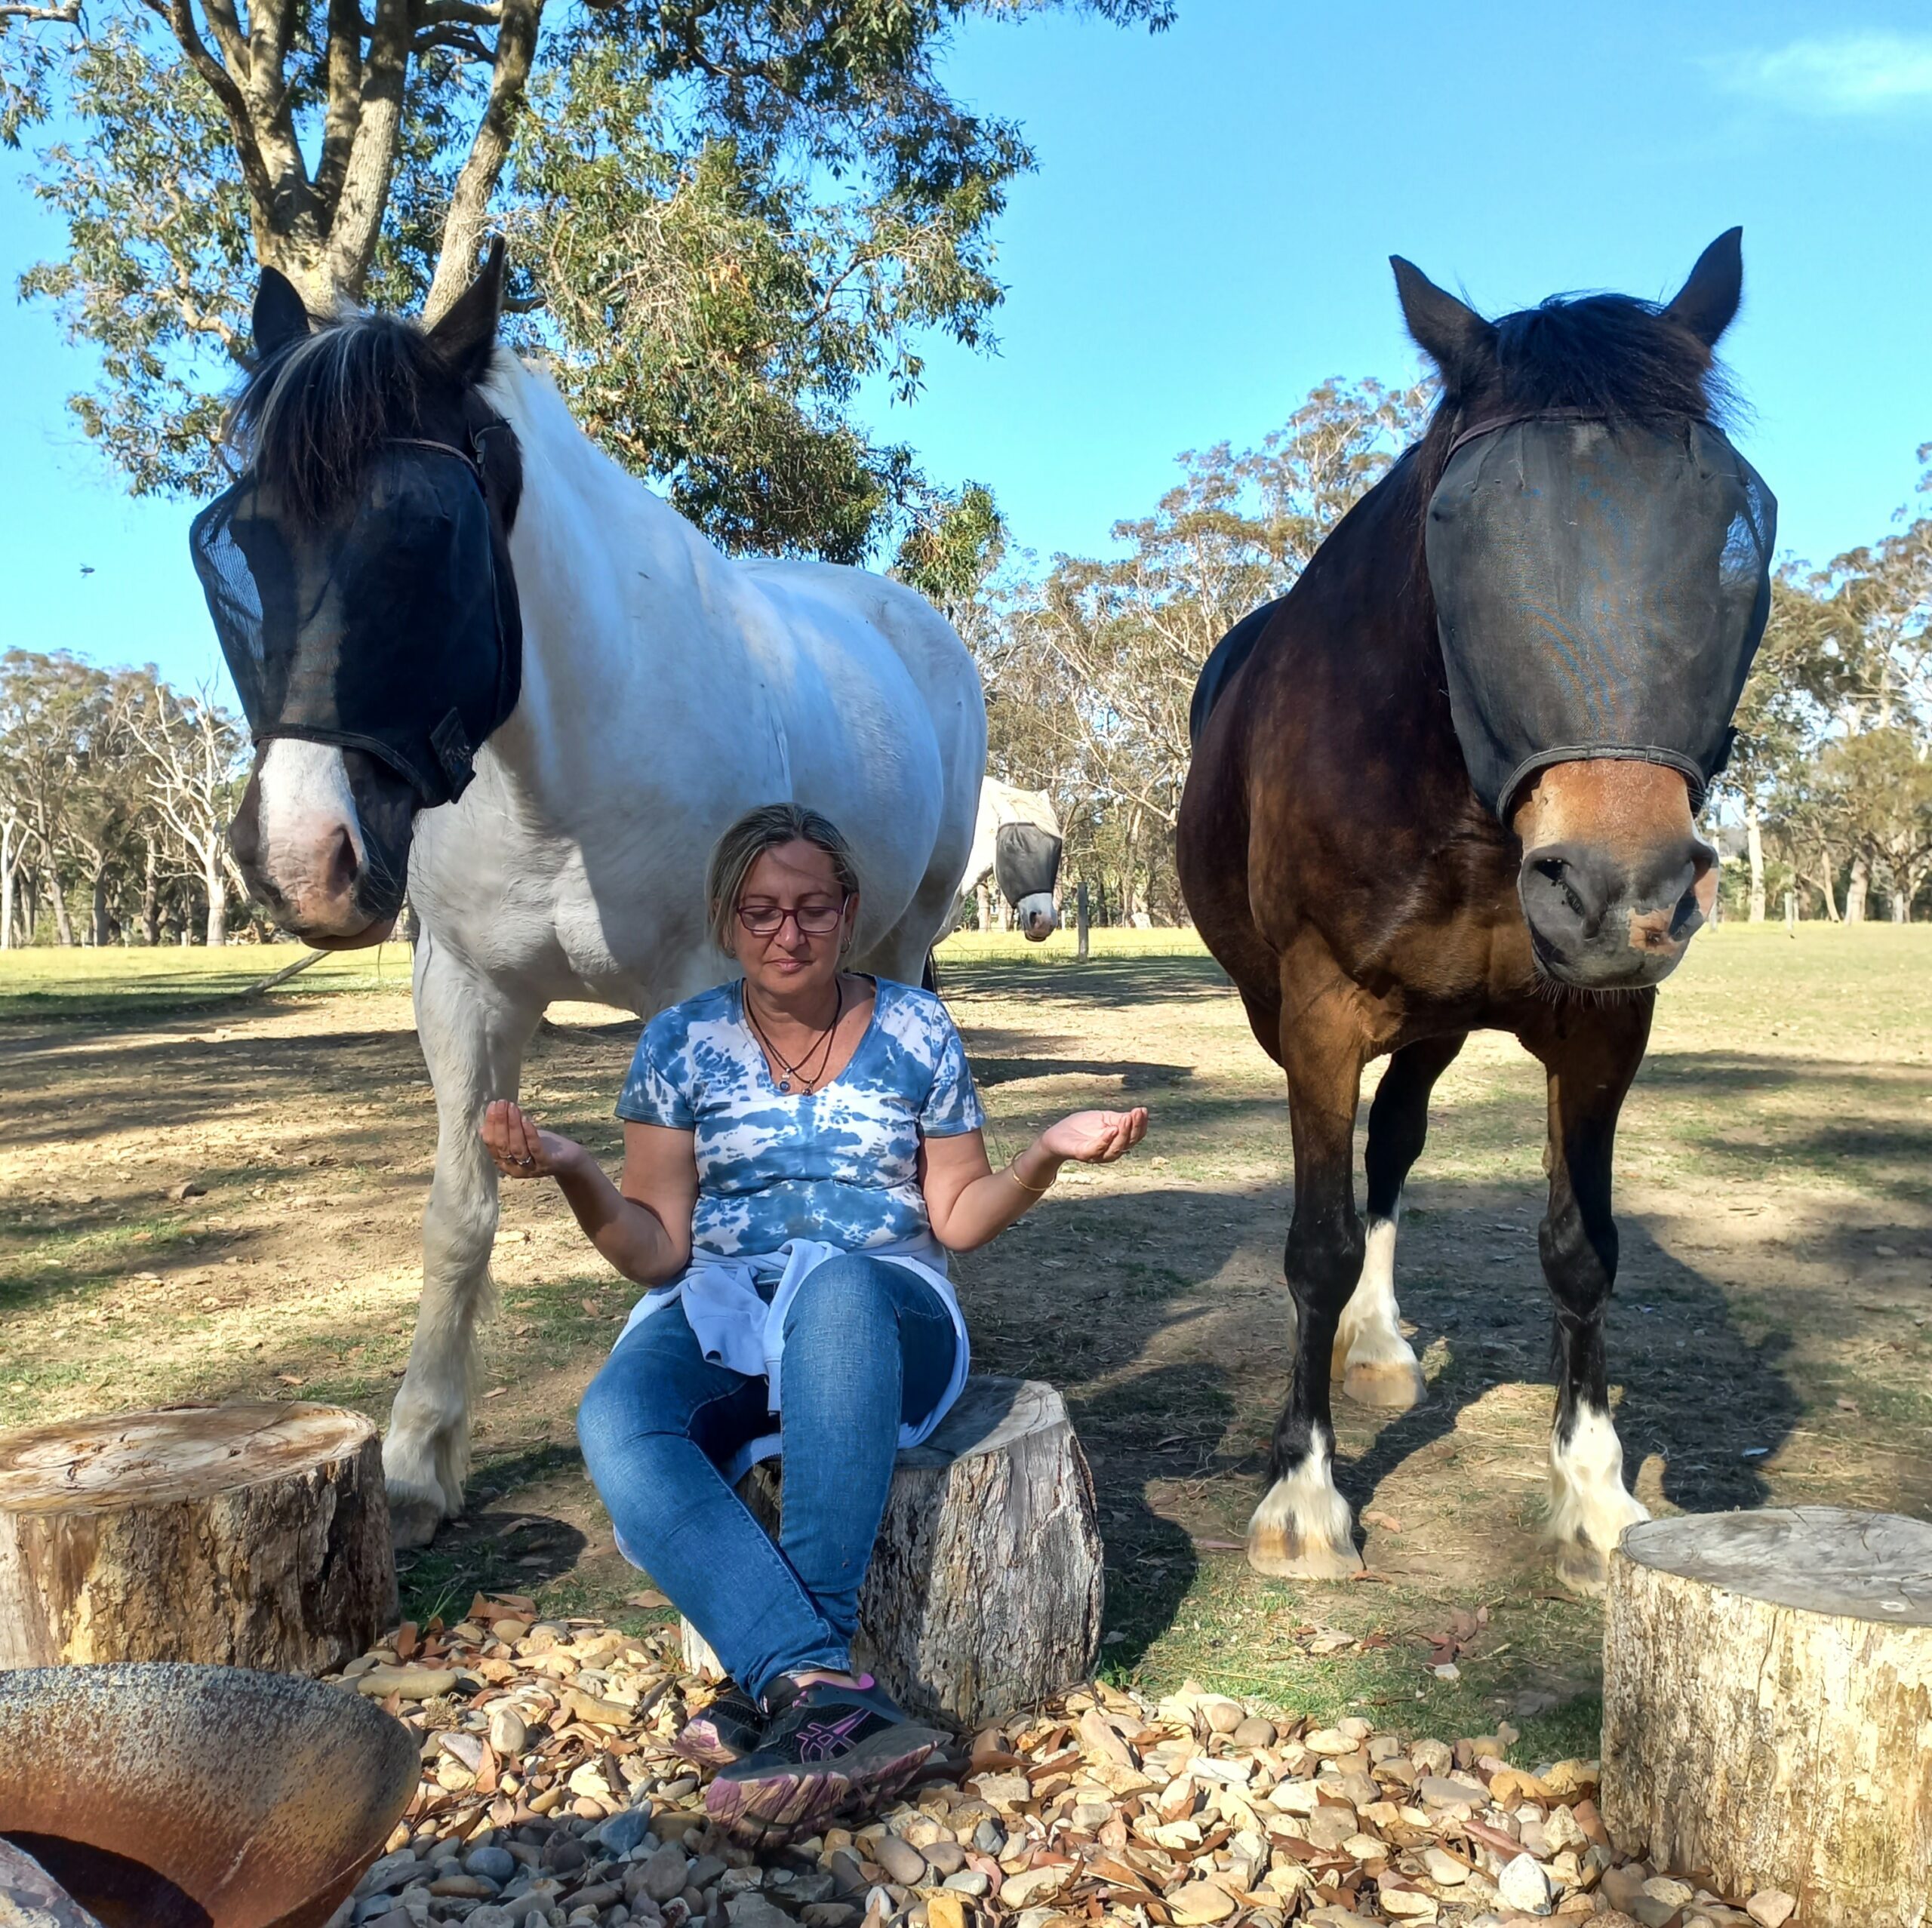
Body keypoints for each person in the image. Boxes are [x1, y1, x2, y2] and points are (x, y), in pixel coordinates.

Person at [480, 802, 1148, 1842]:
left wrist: (1045, 1153)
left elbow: (958, 1219)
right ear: (725, 918)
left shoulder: (916, 1027)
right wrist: (573, 1172)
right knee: (618, 1417)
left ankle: (799, 1676)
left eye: (810, 910)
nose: (786, 935)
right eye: (760, 912)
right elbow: (656, 1246)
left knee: (836, 1284)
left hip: (885, 1317)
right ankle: (818, 1688)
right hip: (722, 1308)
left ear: (849, 913)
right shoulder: (680, 1043)